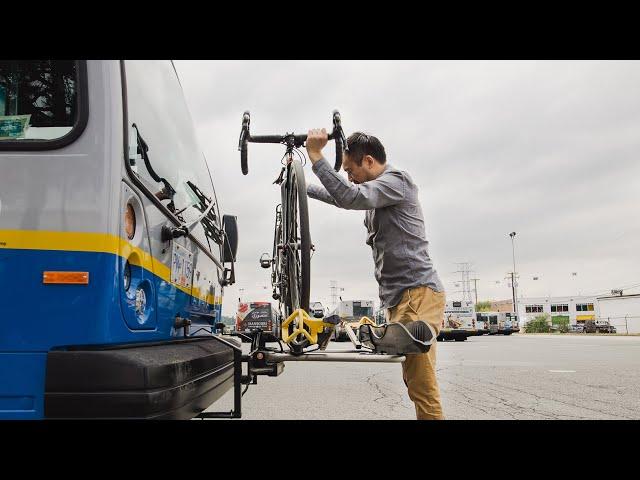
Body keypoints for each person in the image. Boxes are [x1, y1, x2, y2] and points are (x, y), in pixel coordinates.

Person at [305, 128, 446, 420]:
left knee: (422, 385)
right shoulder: (377, 195)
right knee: (415, 382)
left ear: (368, 161)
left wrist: (316, 156)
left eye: (349, 170)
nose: (348, 177)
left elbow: (348, 197)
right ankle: (393, 335)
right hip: (402, 298)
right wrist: (302, 186)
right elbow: (342, 197)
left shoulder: (397, 181)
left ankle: (408, 333)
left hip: (419, 293)